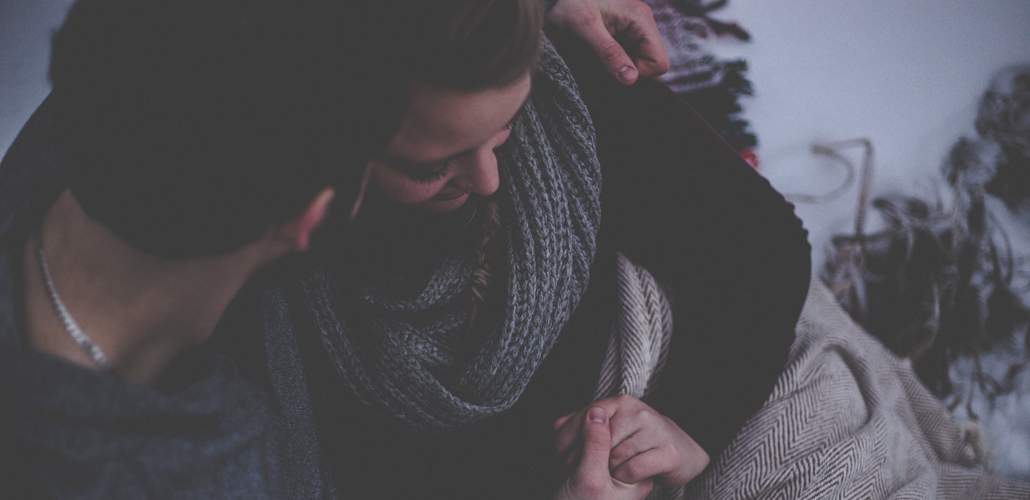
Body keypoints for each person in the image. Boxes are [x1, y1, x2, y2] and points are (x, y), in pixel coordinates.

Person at [0, 1, 670, 498]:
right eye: (425, 163)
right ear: (314, 216)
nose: (488, 178)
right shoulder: (216, 468)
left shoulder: (88, 126)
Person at [261, 1, 811, 498]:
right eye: (430, 166)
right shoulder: (279, 275)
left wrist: (690, 425)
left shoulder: (564, 84)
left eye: (504, 127)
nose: (487, 180)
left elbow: (764, 247)